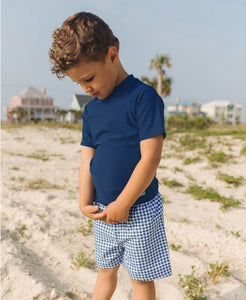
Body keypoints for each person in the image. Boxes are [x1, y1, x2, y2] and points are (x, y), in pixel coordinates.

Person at [49, 12, 172, 300]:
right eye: (78, 83)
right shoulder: (91, 109)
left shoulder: (143, 97)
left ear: (112, 55)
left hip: (139, 208)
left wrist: (125, 202)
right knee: (105, 271)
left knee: (140, 278)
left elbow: (150, 159)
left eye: (89, 78)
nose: (86, 88)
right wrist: (84, 201)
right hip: (103, 211)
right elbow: (86, 159)